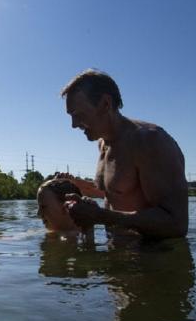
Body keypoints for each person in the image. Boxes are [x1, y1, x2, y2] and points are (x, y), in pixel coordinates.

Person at [59, 69, 188, 239]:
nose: (74, 125)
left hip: (150, 261)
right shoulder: (103, 143)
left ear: (105, 104)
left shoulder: (150, 141)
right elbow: (119, 191)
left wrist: (100, 217)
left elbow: (177, 224)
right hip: (118, 255)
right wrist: (79, 186)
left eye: (78, 115)